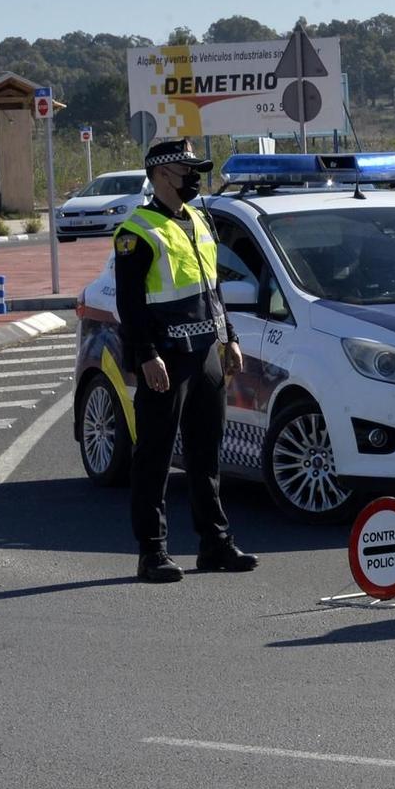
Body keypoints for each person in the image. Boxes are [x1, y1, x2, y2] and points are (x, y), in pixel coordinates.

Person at [114, 138, 257, 584]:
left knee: (206, 454)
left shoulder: (197, 219)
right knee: (154, 457)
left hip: (206, 356)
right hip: (166, 360)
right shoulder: (136, 232)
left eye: (196, 169)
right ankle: (151, 553)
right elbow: (131, 305)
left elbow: (212, 289)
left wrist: (229, 337)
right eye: (185, 169)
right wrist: (147, 355)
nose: (194, 177)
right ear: (160, 175)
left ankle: (214, 544)